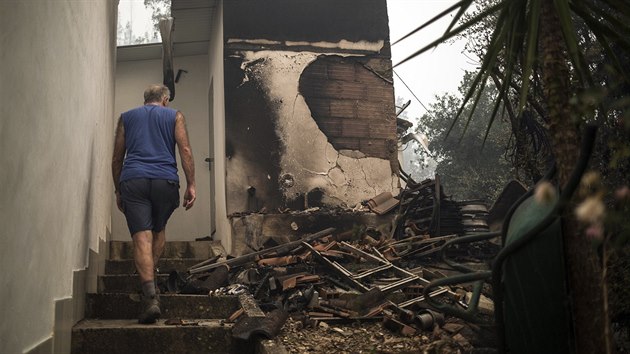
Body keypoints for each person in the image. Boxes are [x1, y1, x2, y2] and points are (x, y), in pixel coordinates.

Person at [111, 84, 196, 324]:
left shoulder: (126, 117)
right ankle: (151, 282)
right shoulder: (174, 115)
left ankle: (149, 297)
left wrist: (118, 189)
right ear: (165, 101)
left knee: (141, 237)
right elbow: (185, 150)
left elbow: (117, 158)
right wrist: (191, 184)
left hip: (133, 180)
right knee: (158, 230)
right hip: (164, 180)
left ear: (145, 99)